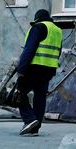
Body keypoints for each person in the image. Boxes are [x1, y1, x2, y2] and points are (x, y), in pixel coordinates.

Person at [13, 8, 62, 136]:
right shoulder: (57, 30)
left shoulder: (38, 27)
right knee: (40, 97)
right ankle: (35, 129)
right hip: (49, 69)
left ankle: (29, 120)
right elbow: (59, 52)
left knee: (18, 93)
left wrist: (21, 70)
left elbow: (29, 50)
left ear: (37, 19)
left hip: (34, 67)